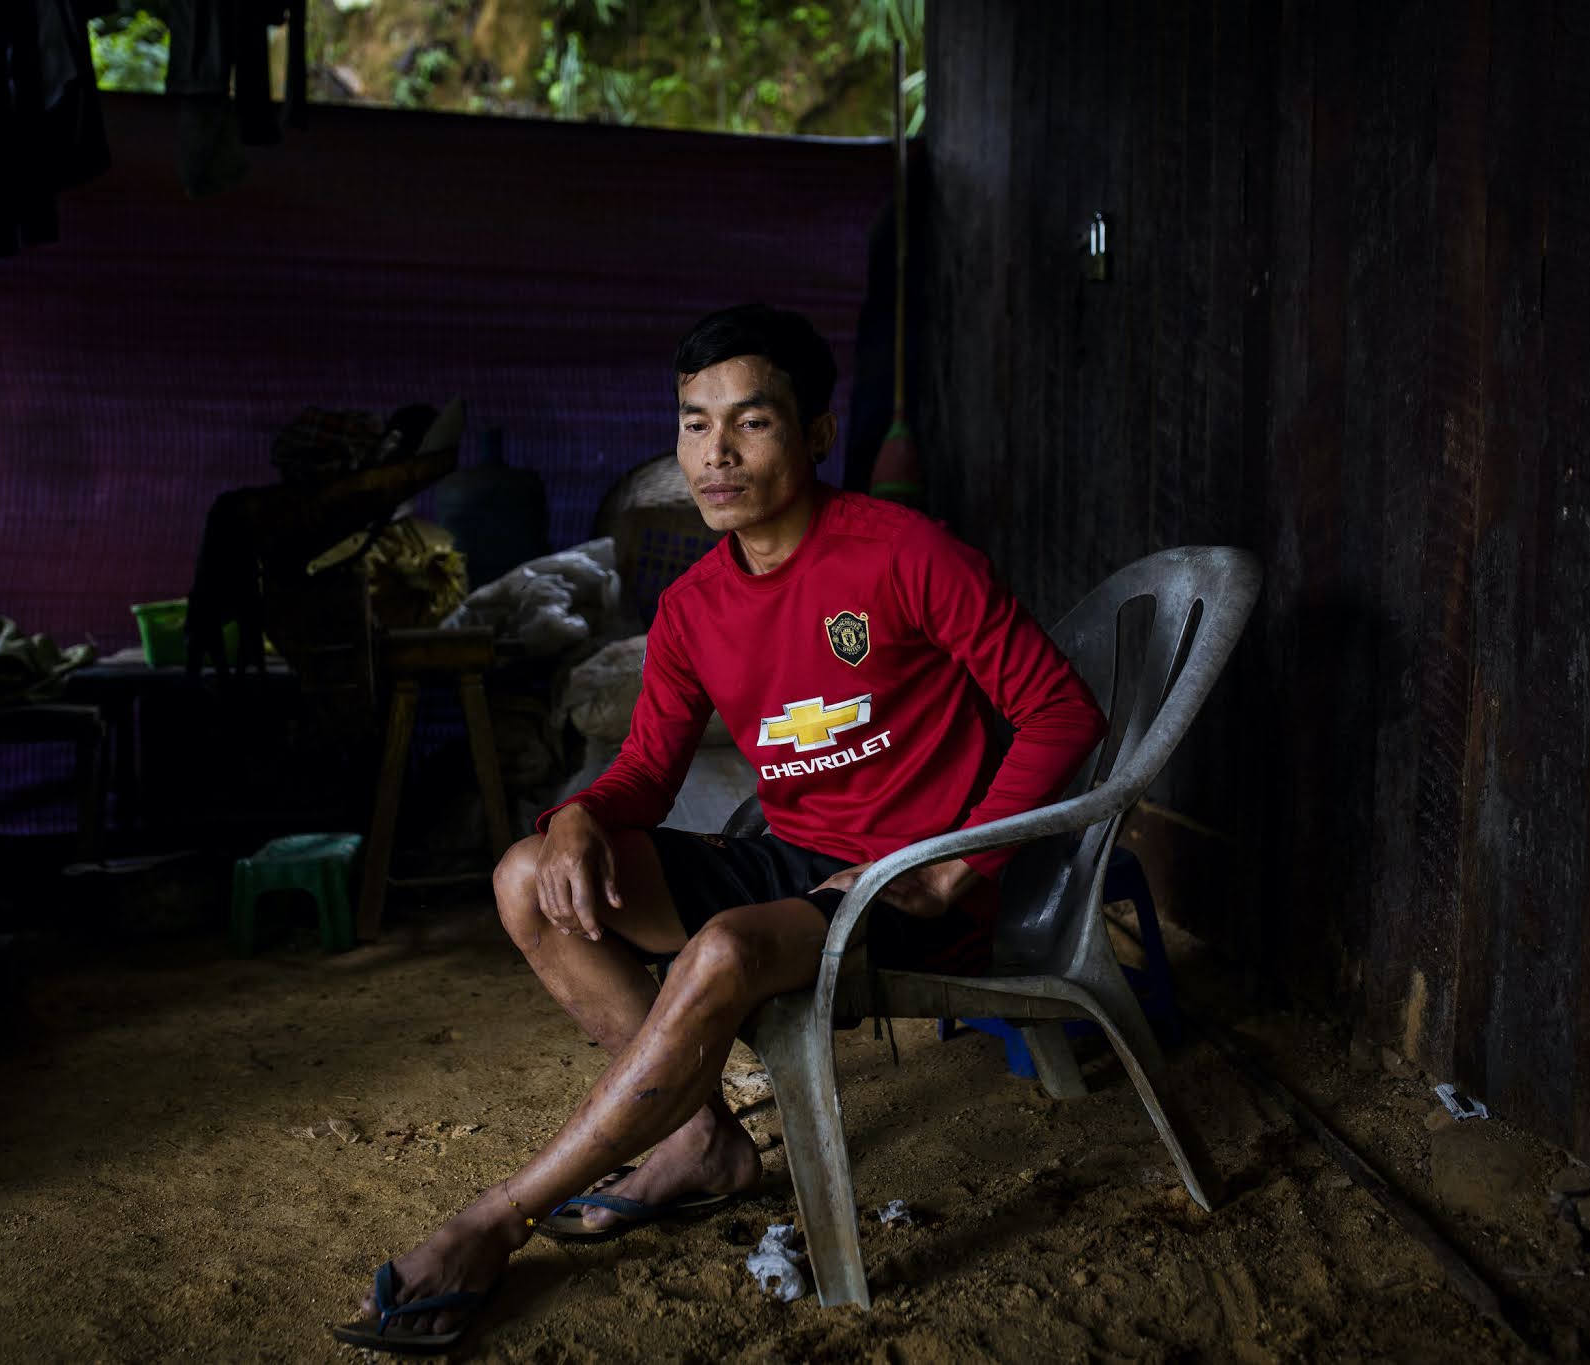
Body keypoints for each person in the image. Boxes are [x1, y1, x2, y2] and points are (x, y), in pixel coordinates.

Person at [336, 303, 1108, 1353]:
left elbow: (1060, 710)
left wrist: (955, 869)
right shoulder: (696, 603)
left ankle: (491, 1222)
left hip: (910, 887)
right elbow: (647, 770)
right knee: (525, 876)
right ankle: (700, 1140)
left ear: (816, 436)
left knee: (727, 948)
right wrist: (573, 822)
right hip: (794, 863)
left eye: (749, 422)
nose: (716, 454)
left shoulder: (904, 553)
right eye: (694, 424)